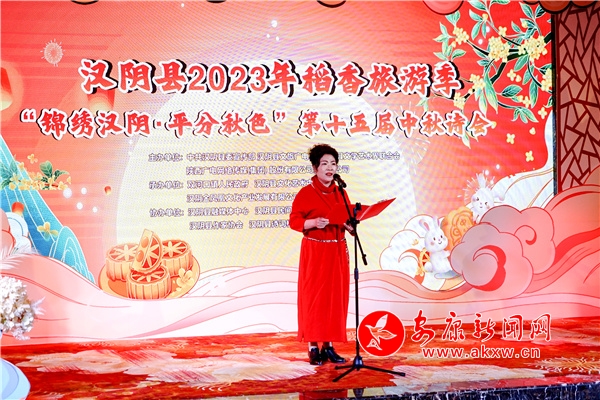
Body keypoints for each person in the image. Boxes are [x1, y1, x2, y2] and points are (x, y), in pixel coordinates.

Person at [289, 143, 353, 365]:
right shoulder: (306, 193)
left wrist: (350, 226)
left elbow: (346, 219)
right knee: (314, 298)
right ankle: (313, 346)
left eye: (333, 163)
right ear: (315, 168)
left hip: (336, 250)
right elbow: (294, 221)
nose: (329, 168)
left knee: (334, 298)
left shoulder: (341, 192)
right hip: (315, 250)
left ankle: (329, 345)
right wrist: (314, 222)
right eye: (324, 163)